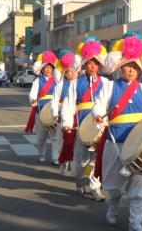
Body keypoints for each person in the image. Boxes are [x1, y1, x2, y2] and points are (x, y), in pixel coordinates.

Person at [93, 31, 142, 231]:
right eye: (127, 66)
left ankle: (136, 222)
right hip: (115, 141)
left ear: (140, 70)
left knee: (141, 186)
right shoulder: (110, 86)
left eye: (134, 67)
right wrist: (97, 115)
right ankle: (112, 208)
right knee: (114, 186)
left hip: (141, 145)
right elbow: (98, 106)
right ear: (119, 67)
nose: (130, 70)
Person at [61, 36, 108, 201]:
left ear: (99, 65)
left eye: (95, 63)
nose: (92, 66)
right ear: (85, 64)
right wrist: (67, 122)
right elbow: (68, 103)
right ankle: (79, 179)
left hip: (100, 123)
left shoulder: (106, 83)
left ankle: (95, 187)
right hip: (82, 122)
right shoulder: (76, 82)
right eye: (89, 63)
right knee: (81, 160)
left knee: (97, 158)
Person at [26, 51, 59, 164]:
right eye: (46, 67)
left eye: (50, 67)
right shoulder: (37, 80)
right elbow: (33, 93)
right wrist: (33, 99)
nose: (48, 69)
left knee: (55, 136)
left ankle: (55, 158)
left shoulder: (57, 81)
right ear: (42, 69)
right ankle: (41, 154)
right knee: (41, 137)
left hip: (53, 110)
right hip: (40, 110)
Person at [51, 50, 80, 175]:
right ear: (65, 74)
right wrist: (55, 113)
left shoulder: (82, 84)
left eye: (74, 71)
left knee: (76, 144)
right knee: (63, 142)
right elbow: (54, 101)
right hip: (64, 115)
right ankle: (63, 162)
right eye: (69, 72)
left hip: (78, 116)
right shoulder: (60, 85)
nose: (72, 74)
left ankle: (74, 169)